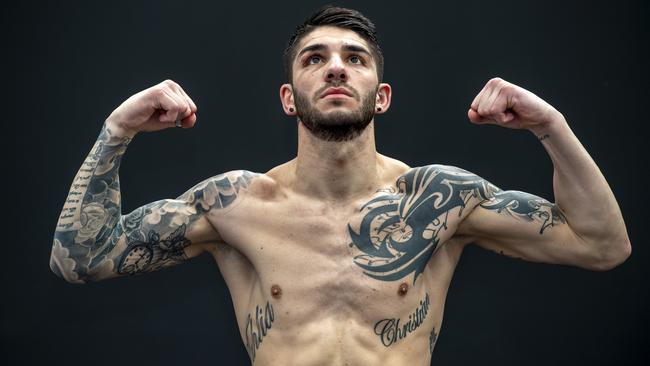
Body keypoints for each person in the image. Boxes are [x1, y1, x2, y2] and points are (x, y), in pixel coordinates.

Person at [50, 5, 631, 365]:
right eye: (313, 59)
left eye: (355, 58)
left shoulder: (437, 202)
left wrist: (550, 127)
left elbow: (602, 245)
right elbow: (80, 260)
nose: (334, 67)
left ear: (381, 95)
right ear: (288, 97)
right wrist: (117, 128)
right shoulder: (235, 205)